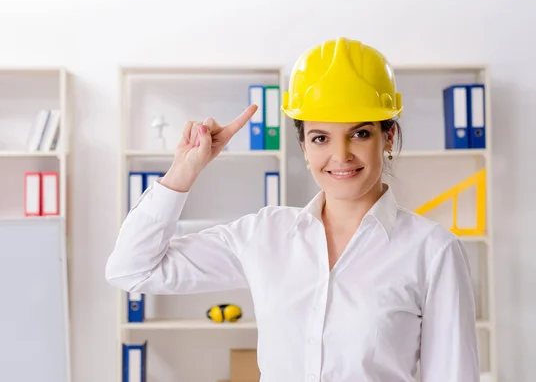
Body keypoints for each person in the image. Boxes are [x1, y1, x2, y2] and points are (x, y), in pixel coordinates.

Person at [106, 37, 480, 382]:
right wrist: (183, 171)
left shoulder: (433, 251)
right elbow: (132, 271)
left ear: (388, 137)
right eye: (321, 138)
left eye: (360, 133)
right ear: (303, 147)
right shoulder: (266, 235)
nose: (341, 155)